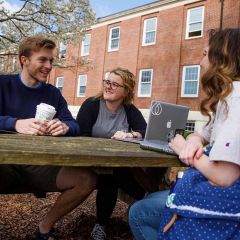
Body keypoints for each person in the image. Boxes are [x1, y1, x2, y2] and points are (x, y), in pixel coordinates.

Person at [130, 28, 240, 240]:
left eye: (205, 54)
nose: (200, 63)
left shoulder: (235, 98)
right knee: (152, 197)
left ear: (222, 58)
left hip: (226, 201)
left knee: (138, 212)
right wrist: (194, 141)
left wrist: (183, 149)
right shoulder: (227, 98)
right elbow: (203, 133)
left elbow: (225, 176)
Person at [0, 35, 96, 240]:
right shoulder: (3, 84)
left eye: (51, 60)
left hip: (39, 164)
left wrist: (64, 127)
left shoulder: (52, 93)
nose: (48, 65)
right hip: (3, 163)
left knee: (86, 179)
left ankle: (44, 229)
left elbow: (74, 124)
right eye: (42, 60)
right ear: (24, 60)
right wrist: (15, 123)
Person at [76, 67, 148, 240]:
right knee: (113, 174)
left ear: (126, 91)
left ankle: (102, 224)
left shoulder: (129, 109)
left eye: (115, 84)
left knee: (113, 173)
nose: (108, 86)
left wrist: (130, 134)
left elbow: (144, 130)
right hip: (89, 162)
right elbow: (80, 139)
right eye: (107, 82)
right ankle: (147, 199)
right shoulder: (92, 105)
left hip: (115, 165)